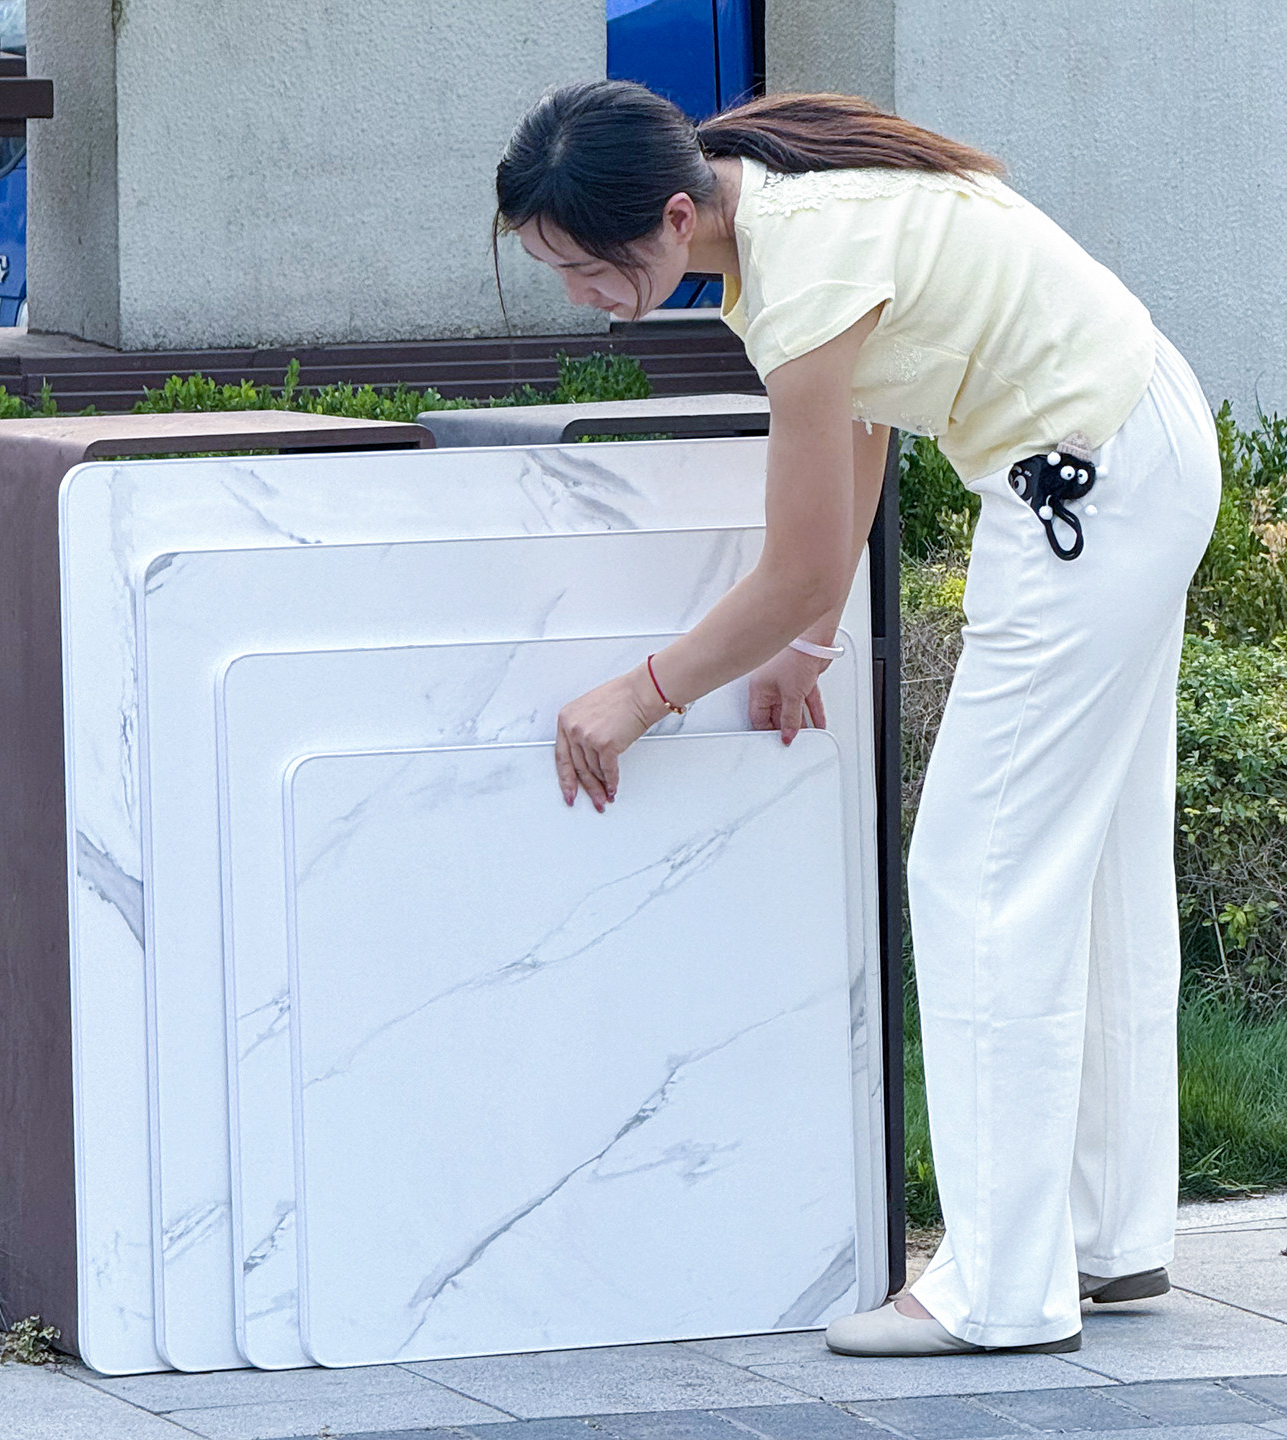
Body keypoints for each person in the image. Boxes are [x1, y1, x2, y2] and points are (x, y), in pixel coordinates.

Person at [493, 80, 1220, 1357]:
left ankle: (998, 1288)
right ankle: (1103, 1238)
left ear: (672, 215)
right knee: (1093, 858)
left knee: (975, 874)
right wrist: (808, 641)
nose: (584, 299)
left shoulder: (802, 254)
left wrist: (642, 694)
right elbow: (871, 410)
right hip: (1131, 448)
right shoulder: (766, 200)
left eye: (592, 269)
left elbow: (799, 563)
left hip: (1086, 489)